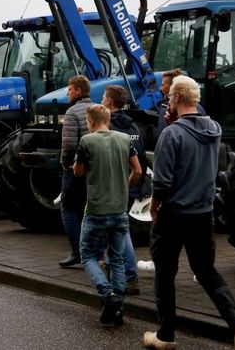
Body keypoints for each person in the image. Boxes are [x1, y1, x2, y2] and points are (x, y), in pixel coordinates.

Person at [144, 75, 235, 350]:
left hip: (173, 214)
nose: (168, 101)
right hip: (203, 214)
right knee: (206, 271)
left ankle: (166, 335)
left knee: (165, 274)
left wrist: (155, 205)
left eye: (169, 97)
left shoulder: (171, 134)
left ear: (178, 99)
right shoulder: (214, 128)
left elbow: (163, 181)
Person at [74, 103, 141, 327]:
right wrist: (125, 185)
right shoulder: (124, 139)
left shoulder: (87, 141)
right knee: (118, 258)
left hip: (96, 210)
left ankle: (107, 293)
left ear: (90, 122)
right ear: (108, 120)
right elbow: (138, 170)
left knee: (88, 255)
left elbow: (78, 172)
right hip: (119, 209)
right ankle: (119, 308)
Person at [102, 84, 147, 296]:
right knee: (116, 230)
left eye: (103, 97)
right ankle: (112, 266)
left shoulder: (108, 127)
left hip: (113, 188)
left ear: (109, 102)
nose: (102, 100)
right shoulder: (133, 127)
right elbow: (140, 162)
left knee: (121, 231)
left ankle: (130, 276)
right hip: (130, 186)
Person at [59, 75, 93, 268]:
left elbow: (70, 144)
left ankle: (78, 251)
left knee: (68, 209)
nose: (68, 92)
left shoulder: (72, 113)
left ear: (79, 91)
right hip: (94, 169)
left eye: (70, 89)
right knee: (87, 209)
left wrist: (65, 164)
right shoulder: (98, 109)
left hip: (75, 168)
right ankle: (93, 251)